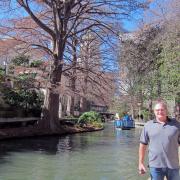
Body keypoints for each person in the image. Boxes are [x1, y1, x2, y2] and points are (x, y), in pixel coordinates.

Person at [138, 99, 180, 180]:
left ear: (166, 111)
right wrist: (140, 163)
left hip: (173, 165)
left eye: (162, 109)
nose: (160, 112)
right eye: (157, 110)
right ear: (154, 111)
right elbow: (142, 145)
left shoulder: (177, 125)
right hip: (155, 166)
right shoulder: (148, 125)